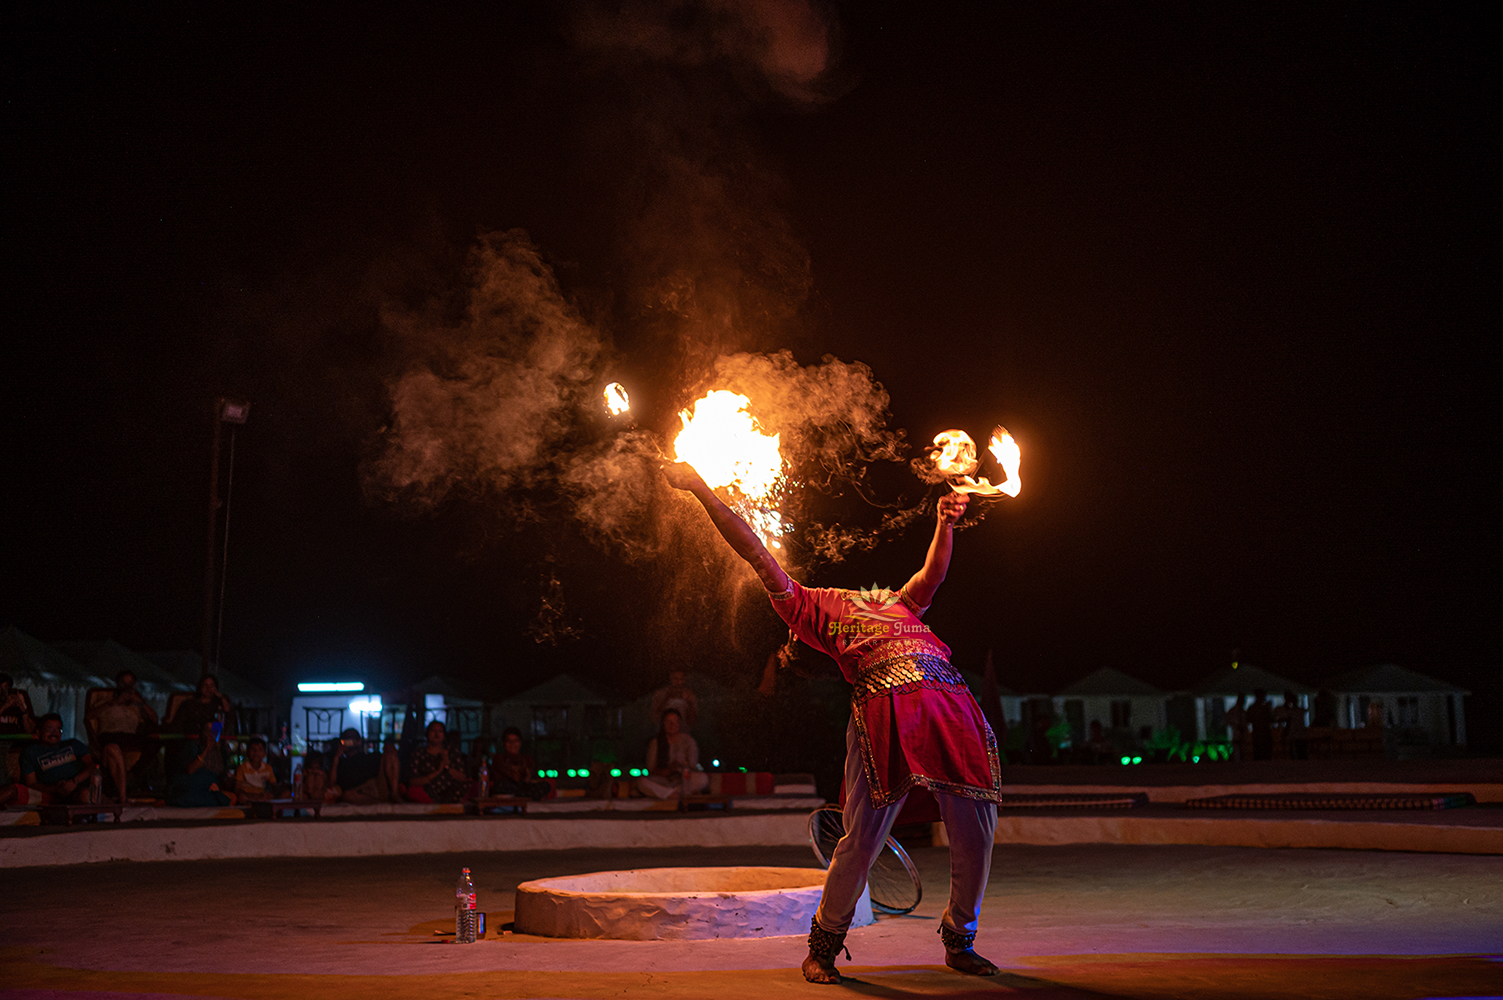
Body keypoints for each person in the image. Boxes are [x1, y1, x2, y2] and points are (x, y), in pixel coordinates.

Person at [665, 462, 1000, 983]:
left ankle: (960, 939)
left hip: (950, 701)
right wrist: (701, 488)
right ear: (807, 641)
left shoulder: (897, 602)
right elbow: (754, 550)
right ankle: (822, 946)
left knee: (977, 827)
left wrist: (946, 520)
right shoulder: (809, 607)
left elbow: (934, 573)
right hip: (884, 708)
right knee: (862, 838)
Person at [87, 670, 159, 803]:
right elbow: (89, 717)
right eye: (124, 683)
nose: (127, 686)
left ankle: (134, 774)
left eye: (130, 683)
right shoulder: (106, 701)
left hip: (130, 737)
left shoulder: (136, 704)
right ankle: (123, 795)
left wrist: (141, 704)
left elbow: (154, 719)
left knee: (155, 740)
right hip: (110, 736)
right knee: (113, 747)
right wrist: (114, 702)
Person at [21, 713, 100, 804]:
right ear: (38, 732)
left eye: (58, 729)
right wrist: (55, 788)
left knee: (86, 794)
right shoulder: (31, 752)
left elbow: (93, 766)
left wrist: (75, 781)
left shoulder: (73, 744)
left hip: (79, 787)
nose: (54, 733)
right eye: (49, 729)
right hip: (52, 793)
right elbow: (31, 784)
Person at [637, 708, 709, 800]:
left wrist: (681, 767)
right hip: (663, 780)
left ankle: (668, 793)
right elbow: (651, 769)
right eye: (669, 722)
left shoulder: (688, 741)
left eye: (675, 722)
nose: (672, 725)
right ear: (663, 724)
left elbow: (692, 765)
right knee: (642, 782)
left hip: (682, 780)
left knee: (702, 779)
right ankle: (672, 794)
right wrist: (668, 770)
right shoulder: (656, 742)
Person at [328, 728, 400, 804]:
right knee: (348, 795)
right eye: (347, 739)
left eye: (353, 739)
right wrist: (336, 758)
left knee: (390, 755)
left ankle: (394, 794)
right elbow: (332, 783)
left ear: (359, 741)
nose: (350, 742)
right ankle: (379, 803)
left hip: (375, 786)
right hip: (357, 792)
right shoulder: (340, 762)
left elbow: (388, 763)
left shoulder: (370, 757)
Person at [406, 720, 470, 803]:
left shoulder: (452, 752)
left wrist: (447, 766)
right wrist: (437, 772)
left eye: (440, 731)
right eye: (433, 731)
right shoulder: (419, 754)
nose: (436, 734)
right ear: (427, 733)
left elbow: (463, 778)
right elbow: (412, 781)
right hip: (428, 789)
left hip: (452, 789)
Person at [491, 726, 550, 800]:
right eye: (509, 741)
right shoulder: (499, 758)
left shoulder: (527, 758)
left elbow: (529, 776)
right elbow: (511, 774)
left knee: (545, 785)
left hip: (523, 787)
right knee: (503, 785)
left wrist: (525, 776)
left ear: (520, 743)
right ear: (504, 743)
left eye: (516, 741)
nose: (512, 744)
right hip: (507, 788)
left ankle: (526, 796)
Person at [233, 737, 278, 801]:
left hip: (262, 797)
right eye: (253, 750)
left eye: (260, 750)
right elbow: (237, 788)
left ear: (264, 754)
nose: (256, 753)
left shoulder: (267, 768)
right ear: (247, 752)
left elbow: (274, 785)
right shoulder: (242, 768)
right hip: (247, 797)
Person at [1247, 689, 1274, 761]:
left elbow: (1248, 720)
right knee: (1263, 755)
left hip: (1260, 735)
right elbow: (1271, 719)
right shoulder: (1263, 708)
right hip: (1262, 735)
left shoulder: (1253, 708)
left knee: (1260, 756)